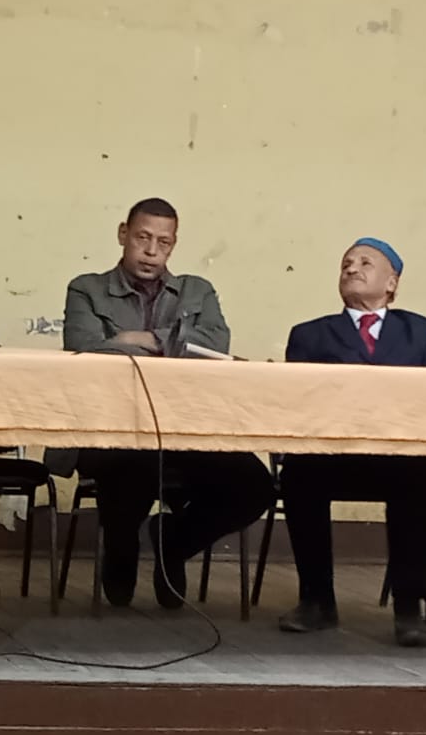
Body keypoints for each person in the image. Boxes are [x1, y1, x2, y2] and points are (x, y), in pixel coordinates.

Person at [60, 198, 276, 608]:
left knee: (255, 485)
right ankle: (121, 547)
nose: (151, 251)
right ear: (123, 234)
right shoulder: (86, 288)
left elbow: (215, 345)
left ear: (173, 245)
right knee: (135, 460)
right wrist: (175, 343)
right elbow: (83, 347)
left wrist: (136, 339)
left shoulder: (197, 291)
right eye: (142, 238)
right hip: (111, 428)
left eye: (163, 242)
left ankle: (174, 541)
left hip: (187, 428)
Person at [278, 237, 426, 647]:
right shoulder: (310, 334)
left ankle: (409, 609)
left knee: (418, 474)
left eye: (365, 263)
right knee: (299, 474)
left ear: (392, 283)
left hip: (396, 455)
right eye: (346, 264)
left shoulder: (419, 330)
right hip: (331, 456)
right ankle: (316, 601)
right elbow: (297, 401)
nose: (352, 269)